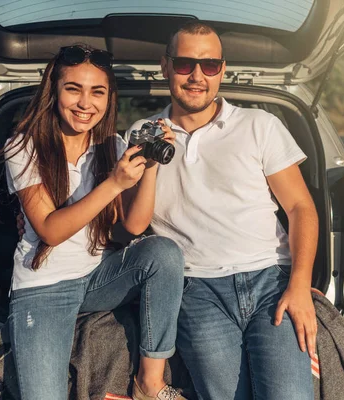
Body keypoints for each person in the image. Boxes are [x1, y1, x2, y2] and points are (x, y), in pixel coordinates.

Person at [125, 22, 319, 399]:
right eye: (184, 64)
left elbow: (300, 207)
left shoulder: (260, 125)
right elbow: (133, 224)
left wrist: (299, 286)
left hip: (270, 282)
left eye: (209, 65)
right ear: (165, 67)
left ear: (222, 70)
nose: (197, 76)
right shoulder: (142, 134)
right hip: (196, 290)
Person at [3, 45, 186, 400]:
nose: (85, 103)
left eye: (97, 92)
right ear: (53, 91)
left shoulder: (112, 145)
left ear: (108, 97)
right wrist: (114, 183)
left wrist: (148, 166)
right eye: (74, 89)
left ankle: (150, 383)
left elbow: (133, 226)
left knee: (163, 253)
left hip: (97, 276)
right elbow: (50, 230)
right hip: (44, 287)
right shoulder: (23, 146)